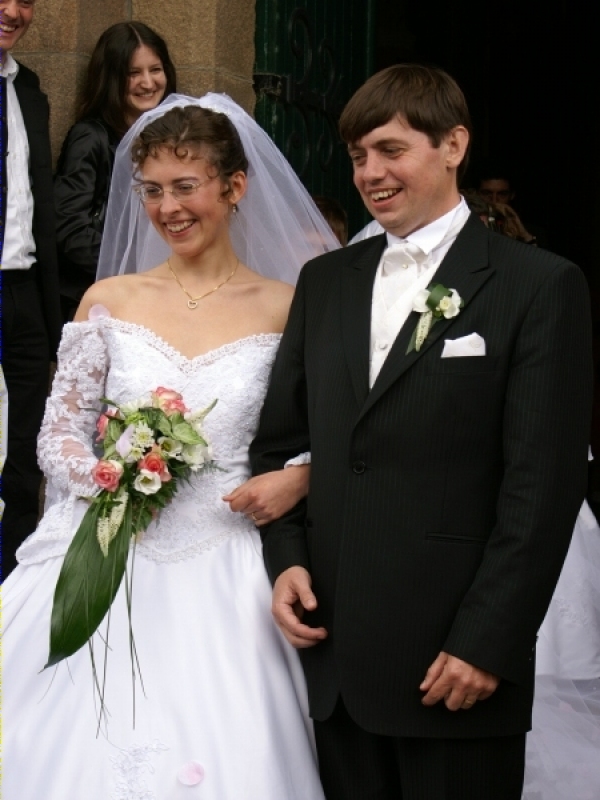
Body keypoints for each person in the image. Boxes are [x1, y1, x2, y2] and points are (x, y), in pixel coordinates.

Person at [250, 64, 593, 800]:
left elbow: (543, 486)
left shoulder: (539, 286)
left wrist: (487, 642)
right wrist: (285, 561)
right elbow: (278, 445)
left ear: (454, 145)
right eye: (357, 156)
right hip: (336, 660)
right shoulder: (326, 282)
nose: (370, 173)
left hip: (456, 667)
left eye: (390, 149)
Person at [2, 93, 339, 799]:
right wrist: (109, 475)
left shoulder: (289, 304)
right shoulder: (108, 298)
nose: (167, 208)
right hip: (111, 553)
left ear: (234, 187)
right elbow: (58, 432)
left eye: (185, 187)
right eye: (151, 190)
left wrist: (299, 478)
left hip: (230, 560)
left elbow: (331, 431)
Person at [54, 21, 176, 322]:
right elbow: (71, 229)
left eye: (155, 69)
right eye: (133, 73)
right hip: (103, 300)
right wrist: (134, 271)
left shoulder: (173, 139)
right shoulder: (90, 137)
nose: (147, 83)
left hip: (159, 295)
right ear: (111, 79)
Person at [1, 0, 62, 578]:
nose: (14, 11)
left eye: (26, 0)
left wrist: (49, 326)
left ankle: (9, 586)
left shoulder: (30, 90)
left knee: (25, 455)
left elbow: (40, 206)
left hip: (22, 295)